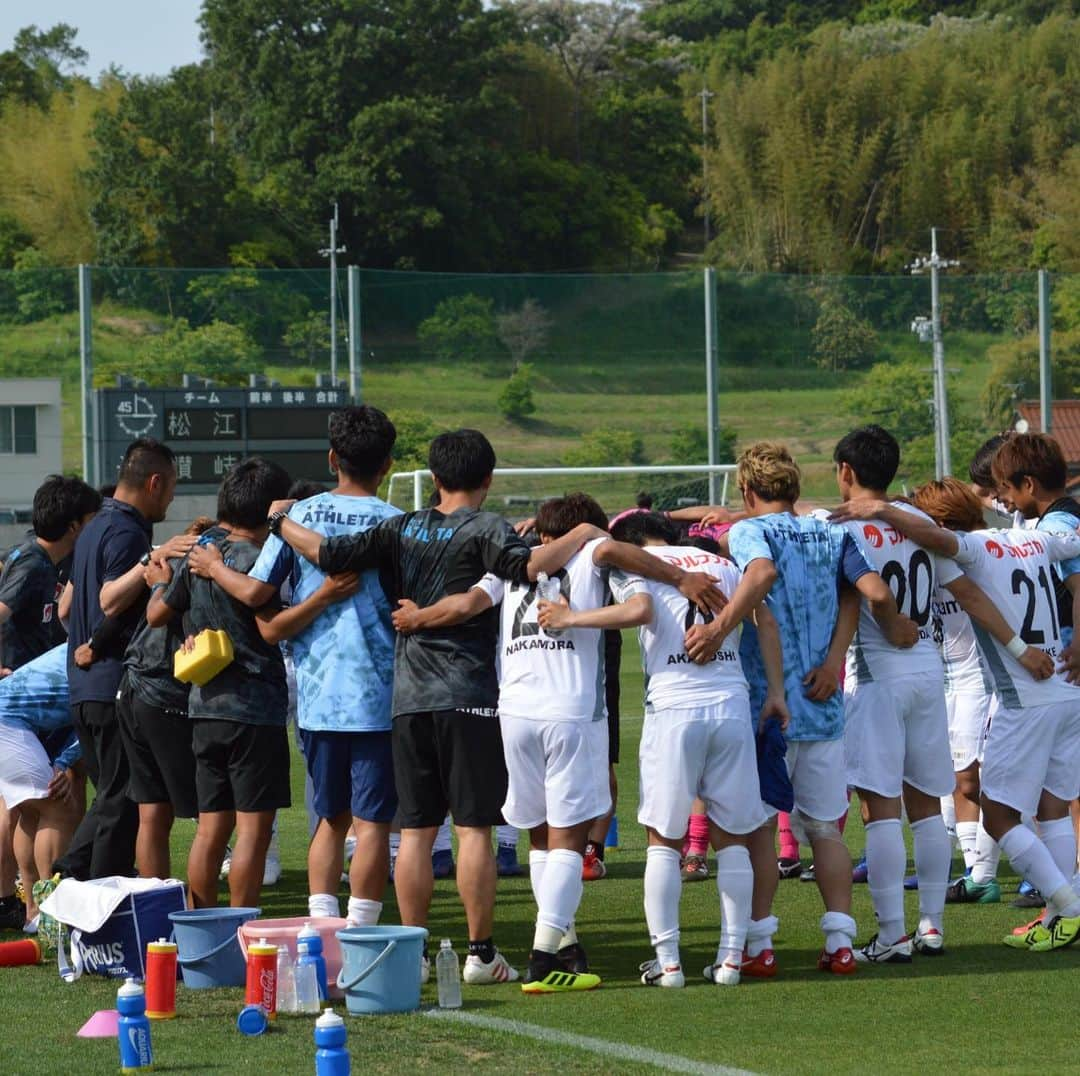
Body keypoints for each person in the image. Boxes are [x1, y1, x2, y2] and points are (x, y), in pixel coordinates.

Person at [273, 431, 725, 986]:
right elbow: (527, 567)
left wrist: (280, 522)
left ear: (433, 477)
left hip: (407, 695)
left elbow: (324, 552)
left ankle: (413, 953)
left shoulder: (400, 525)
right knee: (473, 830)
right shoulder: (488, 529)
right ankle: (481, 954)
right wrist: (585, 533)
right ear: (487, 480)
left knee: (413, 831)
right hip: (469, 695)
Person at [685, 441, 914, 974]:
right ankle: (839, 943)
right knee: (826, 831)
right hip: (824, 700)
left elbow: (760, 576)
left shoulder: (749, 531)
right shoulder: (831, 531)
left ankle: (760, 944)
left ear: (746, 488)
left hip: (769, 705)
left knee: (762, 828)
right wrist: (835, 661)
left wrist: (718, 628)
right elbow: (866, 591)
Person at [827, 426, 1054, 962]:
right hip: (929, 674)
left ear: (845, 472)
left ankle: (890, 935)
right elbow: (969, 593)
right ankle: (930, 926)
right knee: (926, 806)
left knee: (881, 809)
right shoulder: (922, 524)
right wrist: (1020, 649)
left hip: (877, 677)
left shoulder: (836, 526)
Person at [186, 406, 401, 927]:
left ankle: (321, 925)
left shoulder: (296, 516)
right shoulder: (397, 524)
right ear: (389, 465)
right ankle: (363, 930)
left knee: (329, 818)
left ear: (332, 458)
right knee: (371, 824)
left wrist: (213, 565)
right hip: (381, 692)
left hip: (319, 694)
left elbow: (259, 597)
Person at [605, 510, 779, 988]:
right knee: (734, 838)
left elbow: (605, 553)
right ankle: (729, 961)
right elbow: (767, 620)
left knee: (663, 840)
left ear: (635, 540)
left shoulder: (637, 563)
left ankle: (669, 963)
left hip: (674, 706)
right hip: (730, 704)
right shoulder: (720, 563)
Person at [146, 458, 293, 908]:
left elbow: (156, 616)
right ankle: (241, 924)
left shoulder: (198, 553)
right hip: (254, 706)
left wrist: (160, 582)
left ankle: (201, 918)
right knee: (253, 828)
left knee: (212, 827)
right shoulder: (259, 558)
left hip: (203, 704)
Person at [57, 438, 188, 881]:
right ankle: (81, 887)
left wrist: (86, 641)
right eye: (171, 487)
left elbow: (63, 608)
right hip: (113, 686)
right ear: (154, 482)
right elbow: (111, 599)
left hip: (82, 686)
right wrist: (154, 559)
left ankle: (74, 882)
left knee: (113, 796)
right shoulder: (129, 531)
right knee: (122, 800)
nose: (172, 498)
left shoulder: (93, 527)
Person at [0, 475, 99, 926]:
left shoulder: (42, 560)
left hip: (33, 704)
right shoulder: (35, 563)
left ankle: (29, 906)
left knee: (30, 806)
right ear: (77, 525)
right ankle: (42, 909)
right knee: (54, 804)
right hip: (23, 703)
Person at [108, 517, 215, 880]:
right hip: (162, 693)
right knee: (209, 811)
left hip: (131, 688)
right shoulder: (189, 574)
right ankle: (200, 908)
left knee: (152, 811)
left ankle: (153, 898)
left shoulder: (159, 567)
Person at [0, 644, 82, 929]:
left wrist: (60, 760)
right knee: (58, 807)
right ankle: (53, 914)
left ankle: (34, 912)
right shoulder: (109, 657)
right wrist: (63, 762)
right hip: (7, 722)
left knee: (29, 810)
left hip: (9, 718)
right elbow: (93, 717)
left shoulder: (76, 644)